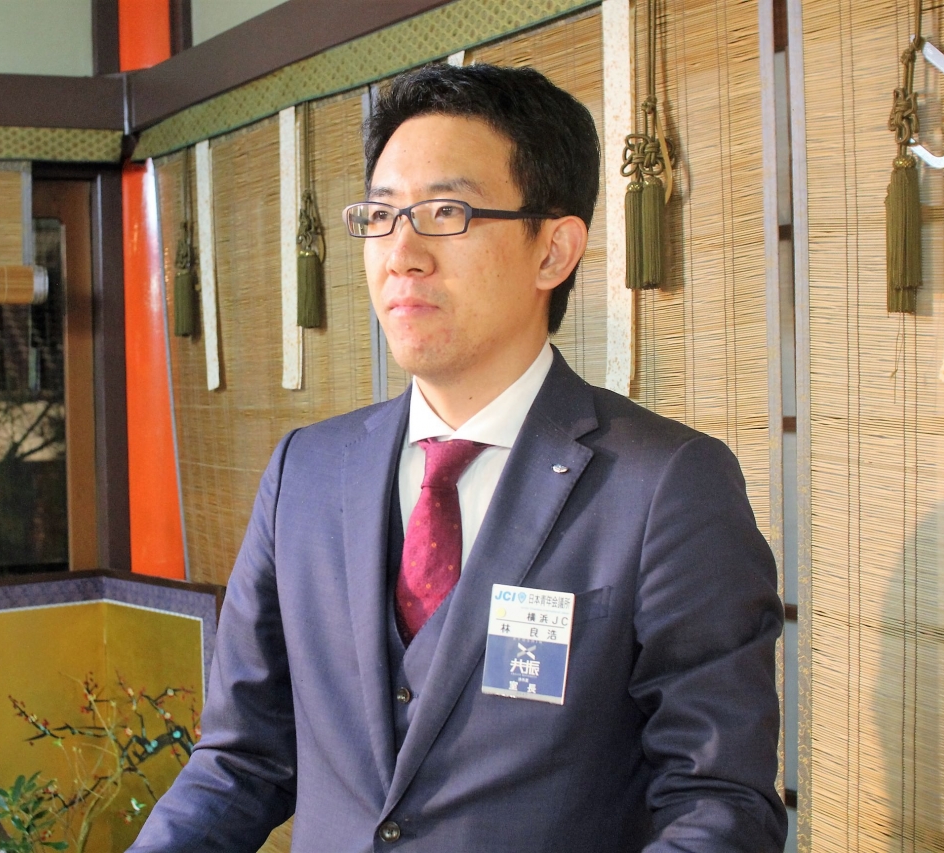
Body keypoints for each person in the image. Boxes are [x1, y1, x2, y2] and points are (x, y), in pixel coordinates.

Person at [130, 63, 786, 852]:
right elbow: (240, 760)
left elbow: (717, 804)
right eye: (381, 214)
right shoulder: (305, 471)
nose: (401, 254)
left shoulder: (664, 485)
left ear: (554, 250)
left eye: (447, 211)